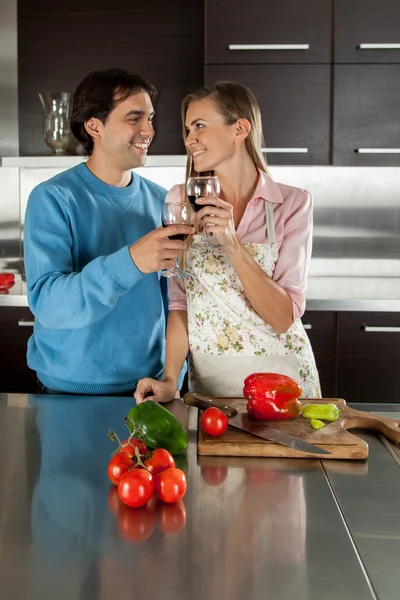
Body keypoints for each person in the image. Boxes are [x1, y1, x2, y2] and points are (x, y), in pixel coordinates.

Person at [134, 81, 321, 402]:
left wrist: (232, 243)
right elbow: (180, 304)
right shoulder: (181, 200)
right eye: (188, 128)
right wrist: (169, 379)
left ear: (240, 129)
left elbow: (283, 317)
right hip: (211, 384)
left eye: (201, 126)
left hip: (283, 379)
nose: (190, 139)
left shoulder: (292, 203)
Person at [24, 68, 192, 395]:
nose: (149, 130)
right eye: (134, 118)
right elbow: (48, 303)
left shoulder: (163, 201)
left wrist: (174, 374)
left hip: (148, 389)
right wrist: (131, 262)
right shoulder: (52, 198)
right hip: (69, 392)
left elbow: (177, 303)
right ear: (94, 126)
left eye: (151, 118)